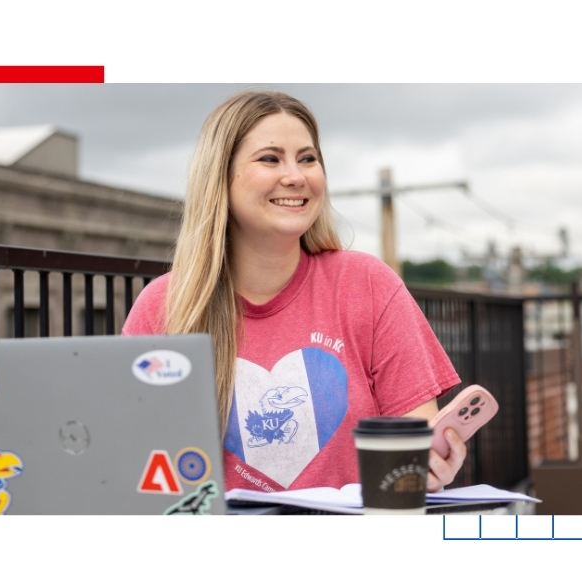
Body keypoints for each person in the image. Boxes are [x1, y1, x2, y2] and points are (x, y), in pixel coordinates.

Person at [122, 91, 466, 493]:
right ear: (220, 177)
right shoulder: (164, 306)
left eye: (308, 158)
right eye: (270, 158)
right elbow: (135, 460)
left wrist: (428, 467)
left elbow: (415, 440)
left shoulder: (368, 285)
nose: (296, 176)